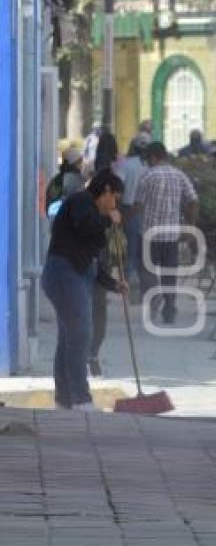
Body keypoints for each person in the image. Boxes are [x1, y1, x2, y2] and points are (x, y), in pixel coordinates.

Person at [41, 171, 128, 411]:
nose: (115, 205)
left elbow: (93, 261)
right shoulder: (80, 201)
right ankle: (81, 397)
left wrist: (113, 284)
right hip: (63, 275)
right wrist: (110, 219)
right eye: (115, 199)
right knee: (80, 335)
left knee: (69, 338)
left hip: (76, 276)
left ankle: (65, 399)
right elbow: (85, 227)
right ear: (106, 190)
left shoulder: (93, 213)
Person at [135, 141, 199, 324]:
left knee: (145, 268)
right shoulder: (180, 176)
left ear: (153, 157)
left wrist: (127, 216)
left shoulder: (147, 177)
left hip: (149, 234)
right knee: (170, 273)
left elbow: (138, 204)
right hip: (171, 235)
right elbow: (193, 201)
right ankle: (169, 309)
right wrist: (191, 225)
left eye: (148, 159)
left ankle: (154, 293)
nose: (147, 162)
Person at [88, 132, 123, 378]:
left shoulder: (88, 179)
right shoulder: (111, 181)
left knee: (92, 306)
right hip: (97, 251)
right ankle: (91, 355)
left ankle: (90, 354)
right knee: (96, 307)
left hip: (95, 252)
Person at [116, 133, 150, 298]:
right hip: (149, 213)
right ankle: (146, 290)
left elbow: (118, 188)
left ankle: (128, 291)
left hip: (130, 212)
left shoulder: (125, 165)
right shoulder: (152, 167)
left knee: (131, 252)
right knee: (146, 255)